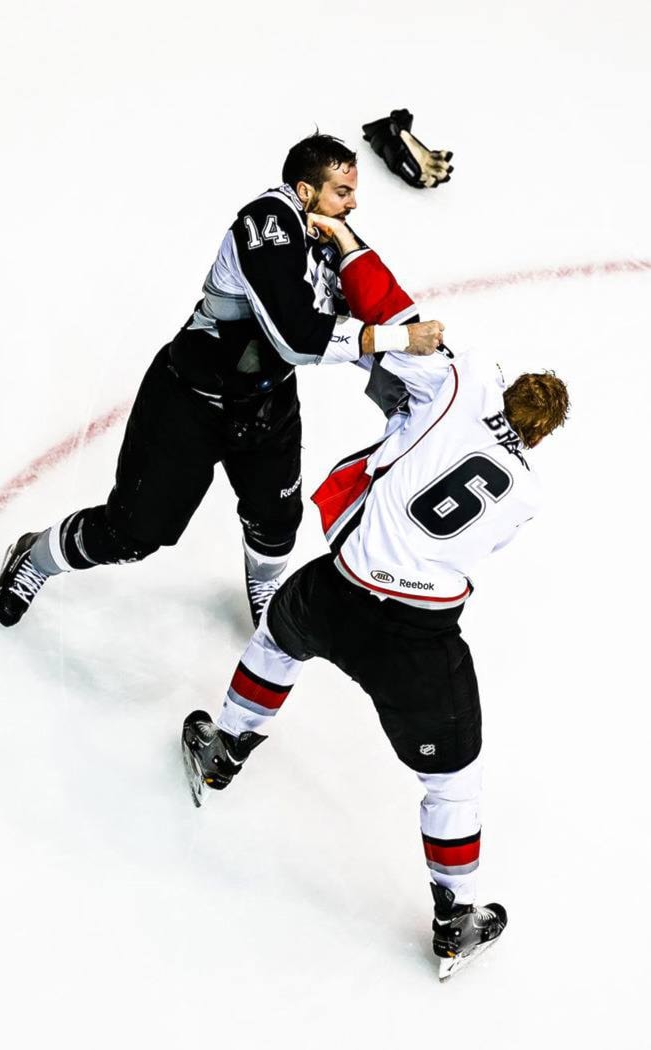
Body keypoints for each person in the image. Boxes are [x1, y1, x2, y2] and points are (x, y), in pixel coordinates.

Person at [180, 235, 570, 979]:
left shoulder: (460, 384)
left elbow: (396, 315)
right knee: (452, 780)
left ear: (508, 386)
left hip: (338, 586)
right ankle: (456, 917)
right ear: (543, 434)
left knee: (275, 641)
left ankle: (224, 749)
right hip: (418, 637)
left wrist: (349, 246)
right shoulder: (528, 493)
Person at [0, 134, 445, 632]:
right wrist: (398, 339)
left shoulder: (325, 239)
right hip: (188, 404)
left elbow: (348, 318)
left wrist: (420, 376)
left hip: (266, 406)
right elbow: (297, 339)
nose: (353, 203)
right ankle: (34, 556)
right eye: (342, 191)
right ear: (305, 189)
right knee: (133, 533)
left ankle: (263, 585)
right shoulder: (266, 223)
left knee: (276, 525)